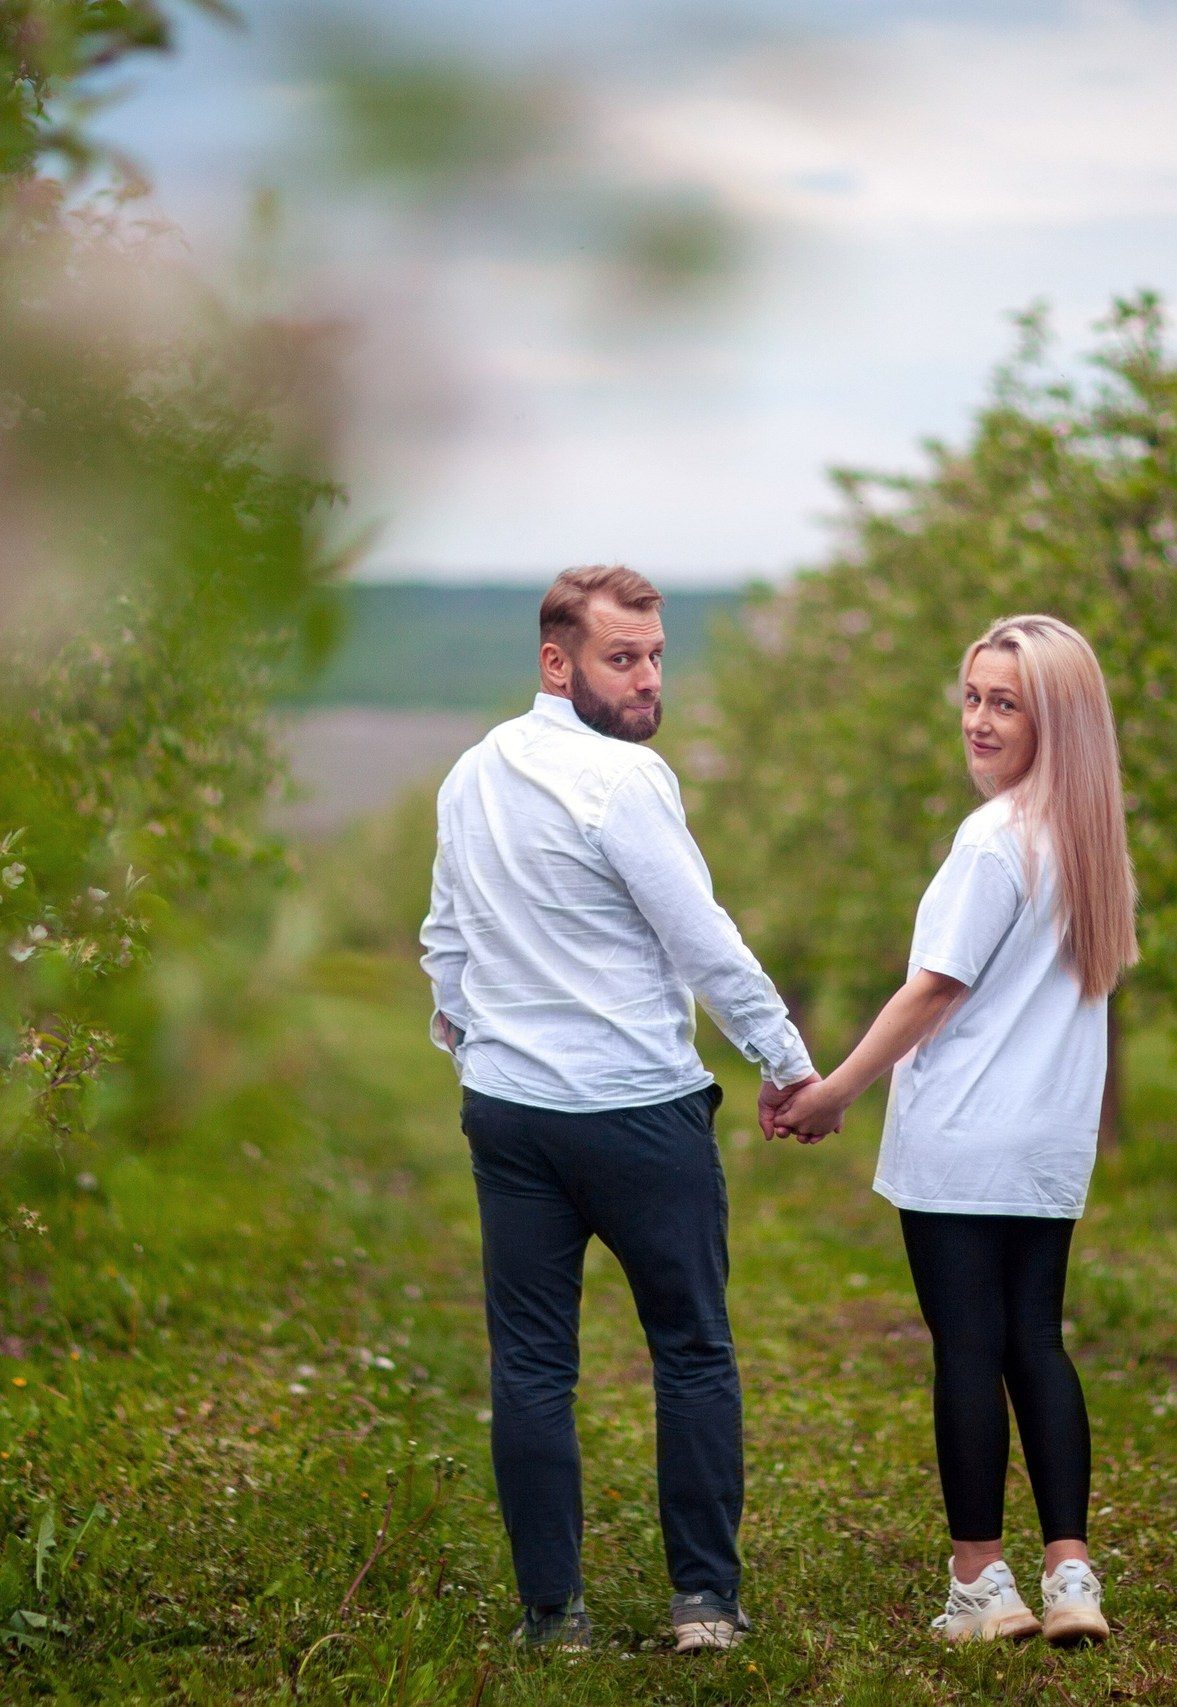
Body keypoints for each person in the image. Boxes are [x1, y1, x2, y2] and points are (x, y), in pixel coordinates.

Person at [420, 565, 817, 1654]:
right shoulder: (624, 785)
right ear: (557, 663)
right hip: (637, 1110)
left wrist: (474, 1050)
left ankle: (555, 1619)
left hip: (509, 1114)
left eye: (653, 658)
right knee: (690, 1350)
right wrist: (788, 1067)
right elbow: (705, 945)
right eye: (620, 659)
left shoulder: (470, 774)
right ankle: (702, 1602)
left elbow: (442, 944)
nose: (646, 682)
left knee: (531, 1366)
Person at [770, 613, 1136, 1648]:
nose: (977, 721)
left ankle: (981, 1583)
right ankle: (1071, 1575)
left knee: (967, 1352)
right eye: (971, 697)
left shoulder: (993, 842)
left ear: (1053, 721)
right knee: (1036, 1344)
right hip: (1047, 1140)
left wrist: (836, 1087)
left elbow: (934, 989)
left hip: (966, 1138)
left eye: (1004, 704)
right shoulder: (1087, 840)